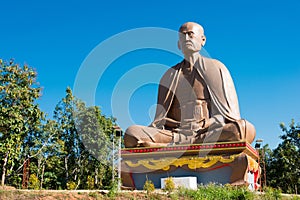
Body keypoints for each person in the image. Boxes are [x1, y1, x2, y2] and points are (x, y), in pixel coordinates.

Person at [124, 22, 256, 148]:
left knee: (242, 128)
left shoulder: (217, 68)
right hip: (175, 133)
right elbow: (160, 120)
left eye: (191, 34)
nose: (187, 38)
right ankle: (187, 143)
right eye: (183, 36)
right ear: (178, 44)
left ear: (203, 40)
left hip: (204, 131)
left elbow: (228, 116)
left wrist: (204, 124)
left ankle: (172, 146)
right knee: (132, 133)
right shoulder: (169, 75)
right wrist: (176, 126)